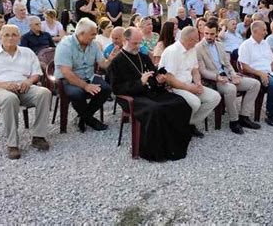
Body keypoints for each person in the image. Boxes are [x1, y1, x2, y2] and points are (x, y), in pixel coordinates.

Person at [109, 28, 192, 161]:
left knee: (180, 103)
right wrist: (139, 82)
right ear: (125, 40)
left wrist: (159, 81)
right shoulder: (117, 62)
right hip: (132, 97)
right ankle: (156, 150)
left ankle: (173, 143)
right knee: (155, 110)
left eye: (140, 43)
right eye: (135, 43)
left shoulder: (143, 57)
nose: (138, 47)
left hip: (150, 93)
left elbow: (153, 76)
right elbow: (116, 88)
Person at [0, 24, 52, 159]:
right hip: (0, 89)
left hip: (23, 87)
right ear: (0, 37)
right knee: (10, 99)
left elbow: (36, 74)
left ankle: (38, 136)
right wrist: (3, 85)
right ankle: (12, 144)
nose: (10, 38)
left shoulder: (27, 52)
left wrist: (28, 82)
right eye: (7, 35)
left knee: (44, 93)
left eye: (14, 35)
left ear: (19, 37)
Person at [196, 21, 261, 134]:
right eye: (206, 33)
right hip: (214, 80)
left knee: (255, 84)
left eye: (212, 34)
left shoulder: (220, 45)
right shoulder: (198, 48)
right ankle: (234, 121)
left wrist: (234, 74)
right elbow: (202, 71)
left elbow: (227, 63)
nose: (208, 37)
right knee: (231, 89)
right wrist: (217, 77)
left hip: (228, 76)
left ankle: (244, 117)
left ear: (217, 33)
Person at [54, 18, 117, 132]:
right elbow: (67, 73)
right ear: (81, 34)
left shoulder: (93, 44)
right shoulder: (65, 45)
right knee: (77, 93)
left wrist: (110, 59)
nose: (95, 36)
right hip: (69, 80)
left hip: (89, 77)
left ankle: (84, 118)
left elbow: (103, 64)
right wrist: (86, 86)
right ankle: (90, 120)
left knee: (106, 89)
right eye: (92, 34)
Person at [159, 26, 221, 138]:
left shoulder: (192, 49)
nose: (198, 41)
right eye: (196, 39)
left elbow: (195, 70)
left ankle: (188, 123)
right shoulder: (172, 52)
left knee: (215, 97)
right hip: (173, 87)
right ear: (190, 40)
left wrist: (198, 83)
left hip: (189, 84)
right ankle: (184, 126)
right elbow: (169, 78)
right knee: (195, 102)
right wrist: (189, 88)